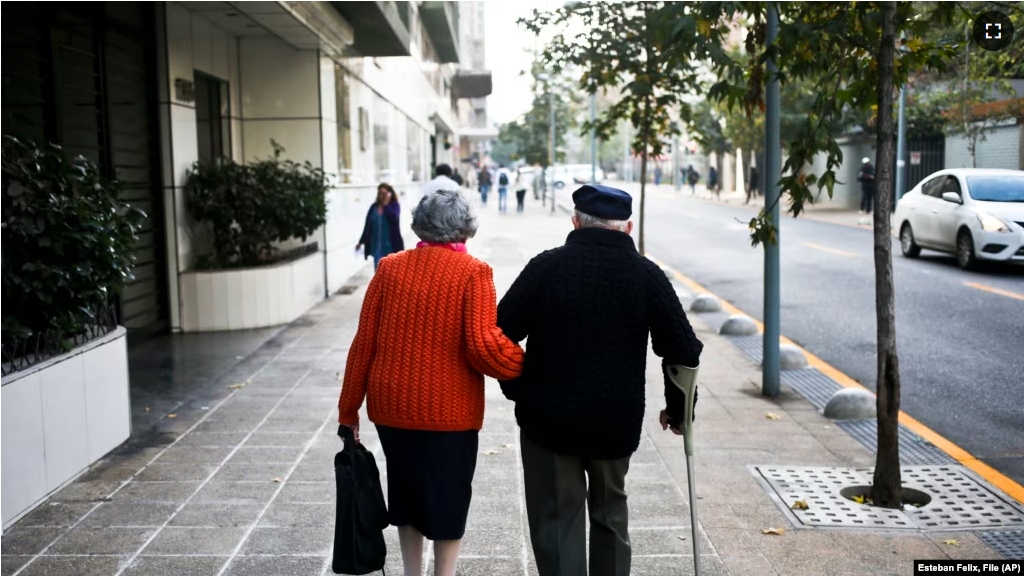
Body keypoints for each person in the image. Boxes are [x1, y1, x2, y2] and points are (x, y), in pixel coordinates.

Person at [496, 184, 704, 576]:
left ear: (575, 222)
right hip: (615, 420)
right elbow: (684, 352)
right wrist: (679, 413)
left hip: (549, 421)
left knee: (557, 520)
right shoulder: (646, 275)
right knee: (611, 517)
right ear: (626, 228)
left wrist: (520, 389)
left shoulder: (547, 266)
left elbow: (497, 334)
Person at [338, 189, 526, 576]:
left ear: (419, 224)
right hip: (450, 412)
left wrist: (348, 409)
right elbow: (481, 346)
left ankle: (412, 573)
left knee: (405, 492)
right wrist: (523, 365)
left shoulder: (389, 268)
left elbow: (363, 344)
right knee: (448, 497)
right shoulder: (475, 272)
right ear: (465, 227)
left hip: (392, 408)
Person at [357, 183, 404, 271]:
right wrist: (361, 241)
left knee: (390, 272)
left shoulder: (394, 206)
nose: (382, 196)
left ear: (390, 194)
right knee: (378, 271)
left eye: (384, 193)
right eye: (380, 193)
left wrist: (386, 205)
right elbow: (367, 226)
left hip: (390, 246)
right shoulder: (373, 207)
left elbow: (393, 219)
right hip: (376, 247)